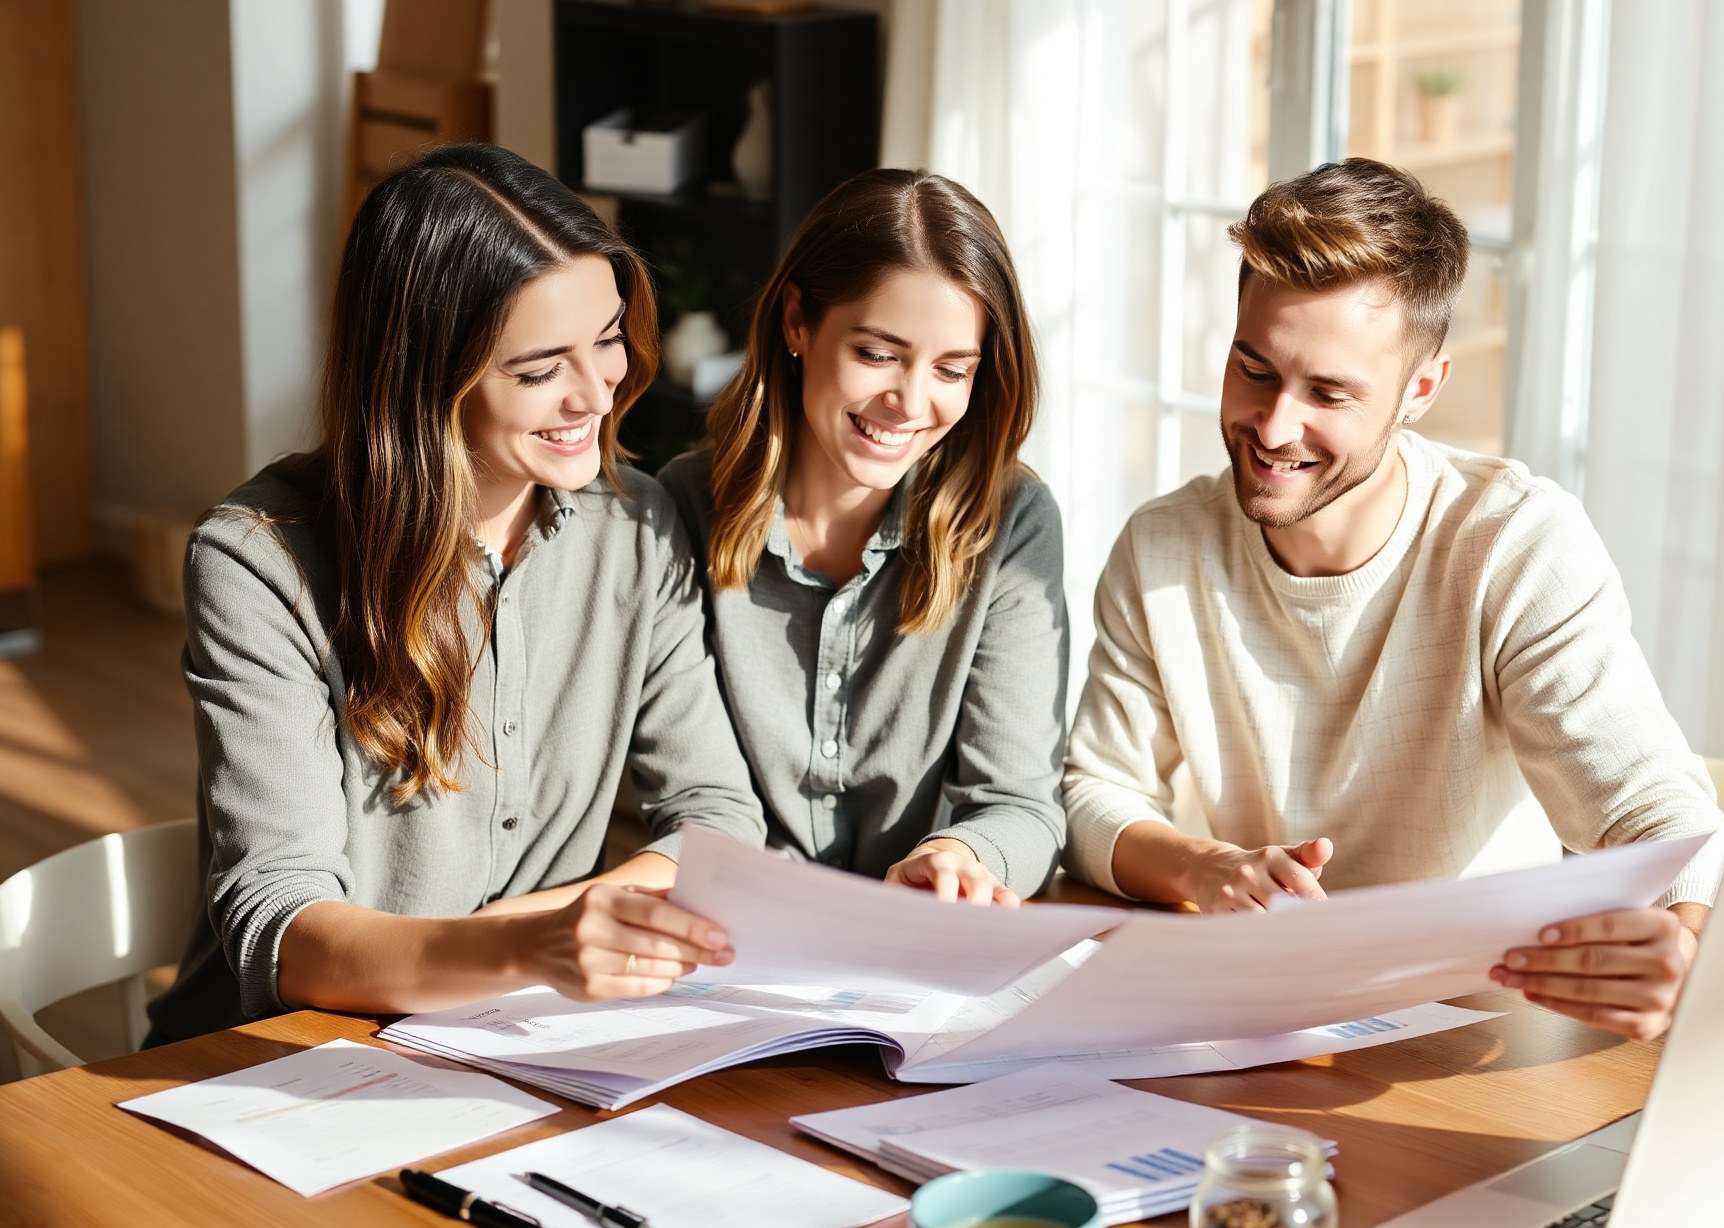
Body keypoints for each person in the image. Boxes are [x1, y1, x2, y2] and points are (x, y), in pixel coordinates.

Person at [1061, 158, 1724, 1040]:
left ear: (1421, 390)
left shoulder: (1511, 543)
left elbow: (1654, 807)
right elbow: (1092, 795)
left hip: (1480, 1026)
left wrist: (1683, 946)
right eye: (1254, 369)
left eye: (1328, 393)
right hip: (1261, 1026)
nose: (1272, 428)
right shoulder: (1164, 546)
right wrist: (1207, 869)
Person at [147, 146, 763, 1044]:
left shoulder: (636, 527)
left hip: (524, 1043)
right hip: (272, 1064)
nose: (599, 390)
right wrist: (535, 946)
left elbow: (718, 825)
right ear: (424, 374)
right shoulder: (257, 563)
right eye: (540, 368)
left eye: (606, 339)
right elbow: (282, 932)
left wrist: (552, 940)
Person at [661, 168, 1067, 906]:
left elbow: (1022, 806)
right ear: (796, 321)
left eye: (952, 369)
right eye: (878, 354)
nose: (910, 402)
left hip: (916, 948)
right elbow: (696, 807)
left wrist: (959, 856)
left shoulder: (1011, 520)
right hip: (728, 933)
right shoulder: (681, 511)